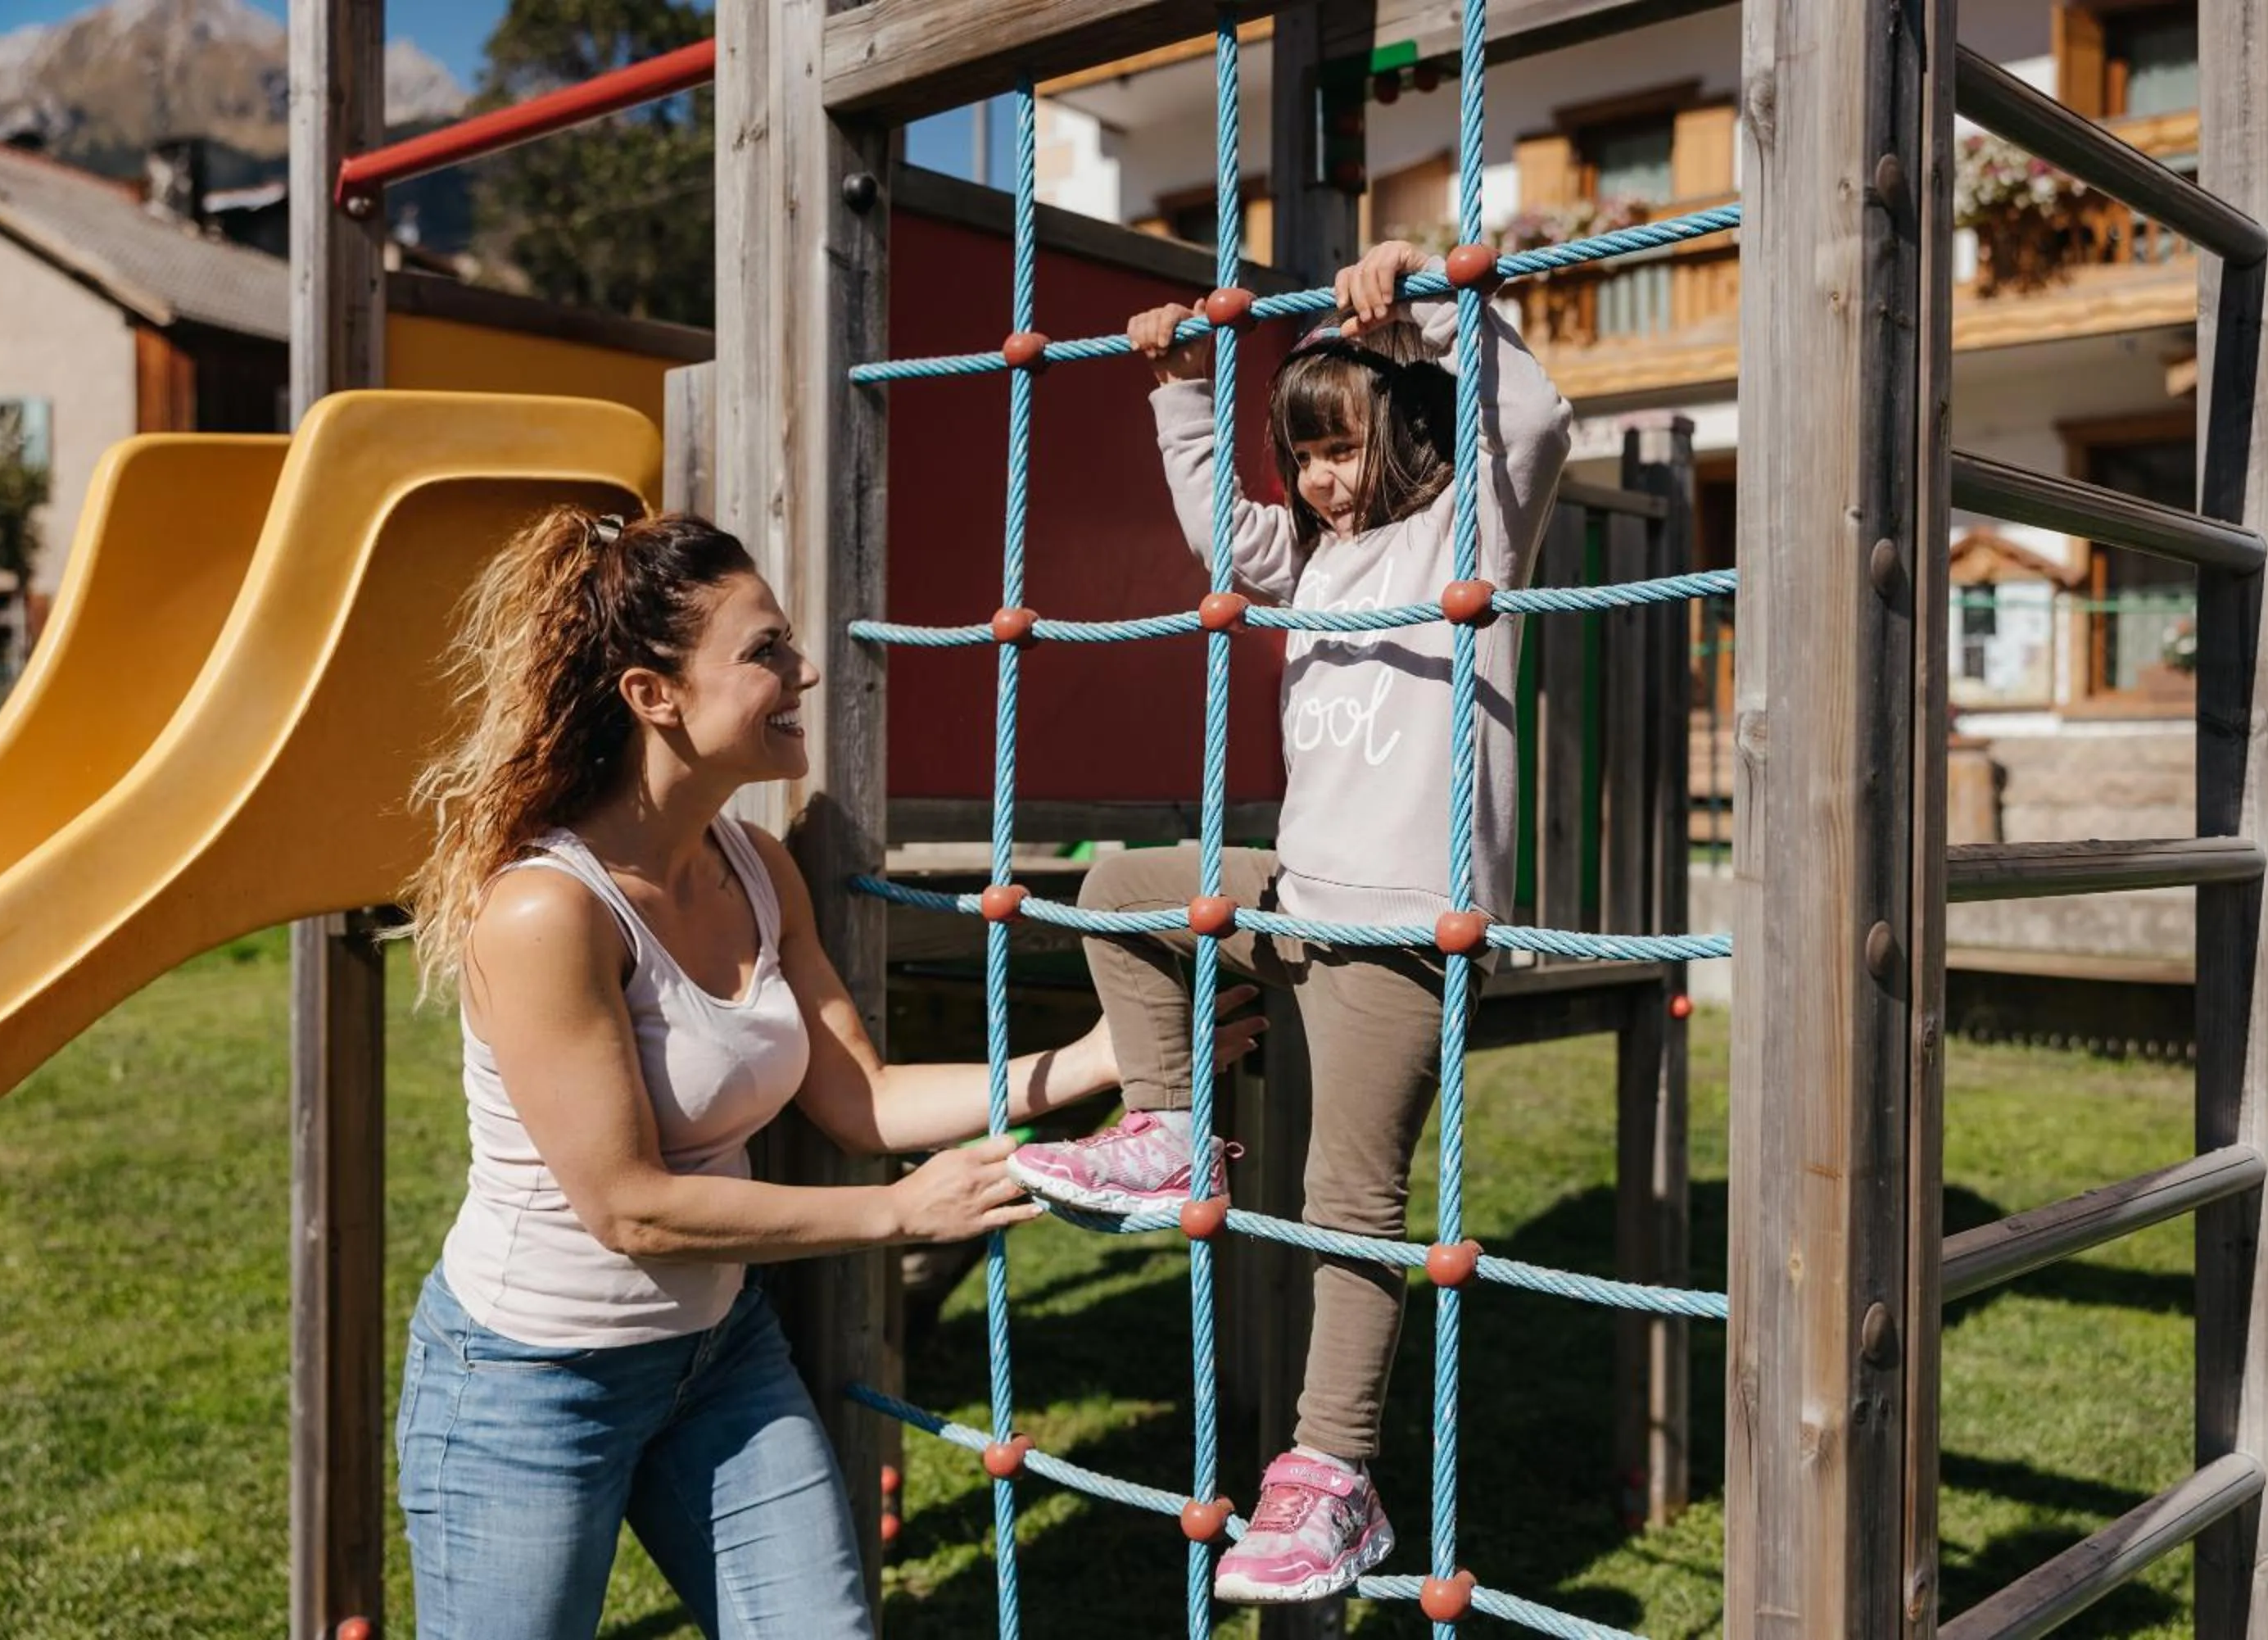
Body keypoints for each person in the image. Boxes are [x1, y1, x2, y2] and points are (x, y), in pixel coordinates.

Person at [391, 507, 1261, 1639]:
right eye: (764, 652)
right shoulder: (547, 910)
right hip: (529, 1383)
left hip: (716, 1359)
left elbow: (862, 1098)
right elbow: (630, 1207)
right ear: (654, 695)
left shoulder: (754, 864)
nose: (804, 669)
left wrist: (1101, 1057)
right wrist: (903, 1211)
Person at [1006, 240, 1573, 1604]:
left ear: (1421, 436)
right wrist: (1179, 390)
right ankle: (1167, 1123)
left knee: (1347, 1201)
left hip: (1406, 930)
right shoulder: (1313, 559)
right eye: (1300, 453)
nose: (1318, 479)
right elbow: (1222, 530)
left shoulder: (1467, 537)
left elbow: (1537, 412)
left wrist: (1428, 304)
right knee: (1123, 891)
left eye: (1340, 449)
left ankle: (1334, 1475)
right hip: (1302, 898)